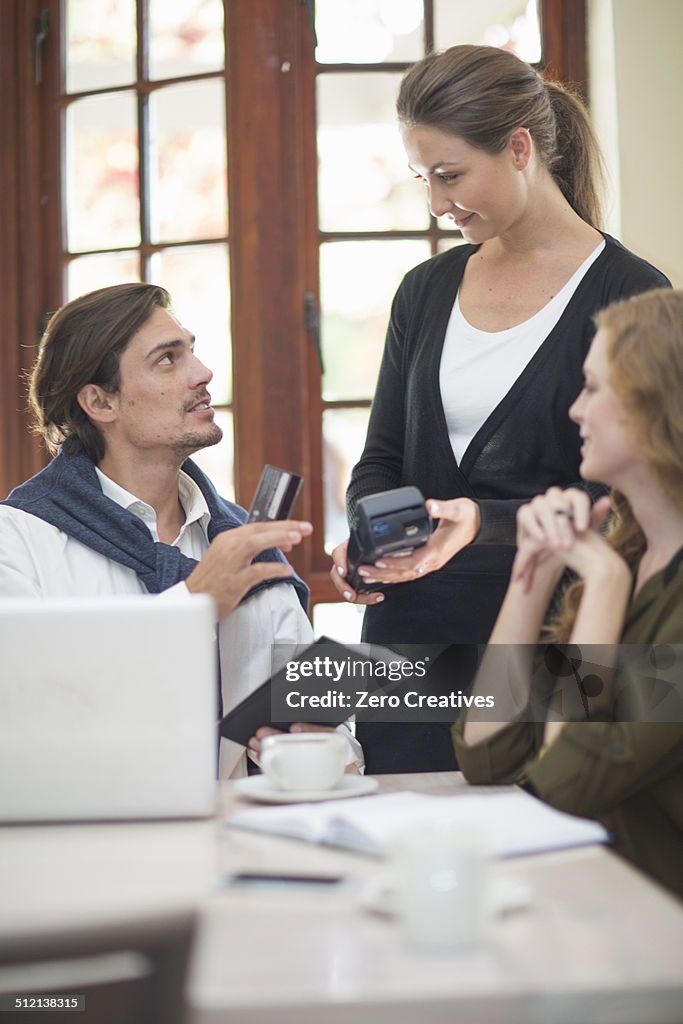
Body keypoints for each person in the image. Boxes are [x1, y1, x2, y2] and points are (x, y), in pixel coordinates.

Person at [329, 44, 670, 773]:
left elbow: (636, 497)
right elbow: (382, 458)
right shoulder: (422, 292)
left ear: (519, 149)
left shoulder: (631, 295)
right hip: (410, 641)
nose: (435, 203)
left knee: (546, 849)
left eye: (450, 175)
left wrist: (482, 523)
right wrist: (370, 534)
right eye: (422, 178)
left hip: (548, 630)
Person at [0, 283, 362, 778]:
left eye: (190, 350)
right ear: (100, 403)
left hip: (241, 843)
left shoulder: (246, 547)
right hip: (86, 846)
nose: (203, 373)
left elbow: (342, 751)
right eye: (167, 360)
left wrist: (313, 746)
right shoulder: (17, 541)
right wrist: (195, 605)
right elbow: (26, 716)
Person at [450, 288, 683, 898]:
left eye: (593, 387)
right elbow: (490, 753)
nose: (576, 411)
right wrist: (536, 569)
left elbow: (563, 786)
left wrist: (603, 587)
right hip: (603, 911)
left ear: (655, 404)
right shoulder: (631, 554)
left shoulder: (625, 577)